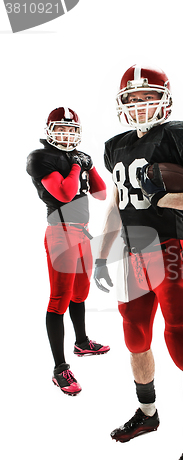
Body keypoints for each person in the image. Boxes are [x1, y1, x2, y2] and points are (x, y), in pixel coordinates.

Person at [93, 65, 183, 460]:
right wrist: (101, 255)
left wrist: (168, 197)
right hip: (131, 254)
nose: (139, 105)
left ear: (164, 99)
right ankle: (149, 414)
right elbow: (116, 204)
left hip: (169, 252)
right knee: (135, 337)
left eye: (147, 97)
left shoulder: (180, 138)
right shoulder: (115, 147)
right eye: (132, 99)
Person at [26, 107, 110, 396]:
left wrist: (91, 166)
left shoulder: (77, 157)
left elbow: (100, 194)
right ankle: (59, 368)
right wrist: (77, 167)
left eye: (71, 130)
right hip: (60, 233)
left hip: (82, 232)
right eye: (60, 129)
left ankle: (82, 341)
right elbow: (63, 193)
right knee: (59, 298)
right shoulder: (41, 157)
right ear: (50, 131)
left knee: (80, 292)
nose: (66, 134)